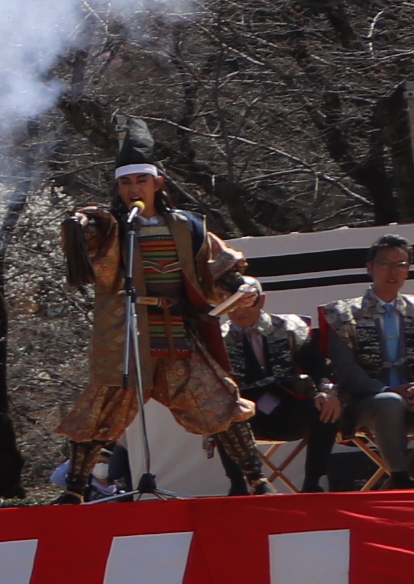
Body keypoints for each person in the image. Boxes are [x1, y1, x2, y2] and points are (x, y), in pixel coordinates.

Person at [54, 125, 261, 499]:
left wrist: (239, 290)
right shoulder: (114, 229)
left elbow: (219, 269)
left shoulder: (189, 227)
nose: (134, 188)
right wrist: (82, 222)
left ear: (158, 182)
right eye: (127, 182)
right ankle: (75, 491)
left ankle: (255, 480)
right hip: (127, 336)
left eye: (141, 180)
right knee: (100, 409)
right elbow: (90, 241)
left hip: (178, 332)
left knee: (220, 401)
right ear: (118, 188)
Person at [316, 236, 414, 490]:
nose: (393, 271)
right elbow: (346, 370)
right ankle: (400, 480)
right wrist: (387, 391)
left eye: (401, 264)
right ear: (370, 268)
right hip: (366, 403)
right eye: (385, 264)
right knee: (390, 402)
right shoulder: (342, 313)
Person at [228, 283, 329, 491]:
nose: (239, 310)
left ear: (261, 301)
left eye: (246, 302)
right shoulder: (219, 339)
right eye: (231, 304)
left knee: (327, 406)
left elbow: (317, 365)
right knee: (221, 411)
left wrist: (326, 390)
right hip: (246, 417)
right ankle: (239, 485)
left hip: (290, 408)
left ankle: (313, 482)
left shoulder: (290, 327)